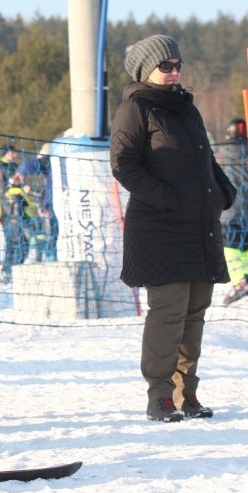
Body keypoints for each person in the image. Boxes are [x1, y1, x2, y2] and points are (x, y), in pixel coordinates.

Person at [110, 34, 236, 422]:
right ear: (146, 69)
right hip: (160, 230)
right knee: (168, 313)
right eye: (166, 66)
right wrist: (168, 198)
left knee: (195, 313)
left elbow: (205, 159)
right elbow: (123, 164)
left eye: (177, 64)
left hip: (199, 227)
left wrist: (224, 191)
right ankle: (160, 396)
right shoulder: (137, 107)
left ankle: (187, 394)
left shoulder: (186, 108)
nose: (174, 71)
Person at [219, 118, 248, 306]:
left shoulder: (222, 154)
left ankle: (240, 280)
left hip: (230, 210)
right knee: (245, 245)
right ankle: (245, 276)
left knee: (229, 247)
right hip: (245, 210)